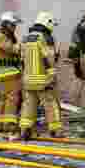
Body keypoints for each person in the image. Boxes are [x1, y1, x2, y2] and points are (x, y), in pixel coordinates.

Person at [19, 12, 63, 140]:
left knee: (29, 105)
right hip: (42, 79)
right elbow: (47, 58)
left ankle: (25, 129)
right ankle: (55, 130)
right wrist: (52, 75)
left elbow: (21, 60)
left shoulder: (25, 38)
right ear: (47, 23)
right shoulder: (45, 38)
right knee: (50, 104)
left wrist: (25, 75)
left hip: (28, 79)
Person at [0, 12, 23, 134]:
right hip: (9, 71)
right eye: (13, 25)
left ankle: (0, 124)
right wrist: (23, 46)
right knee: (12, 98)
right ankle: (9, 124)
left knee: (4, 99)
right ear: (6, 24)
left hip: (6, 71)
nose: (15, 27)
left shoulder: (4, 36)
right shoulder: (0, 36)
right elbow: (12, 49)